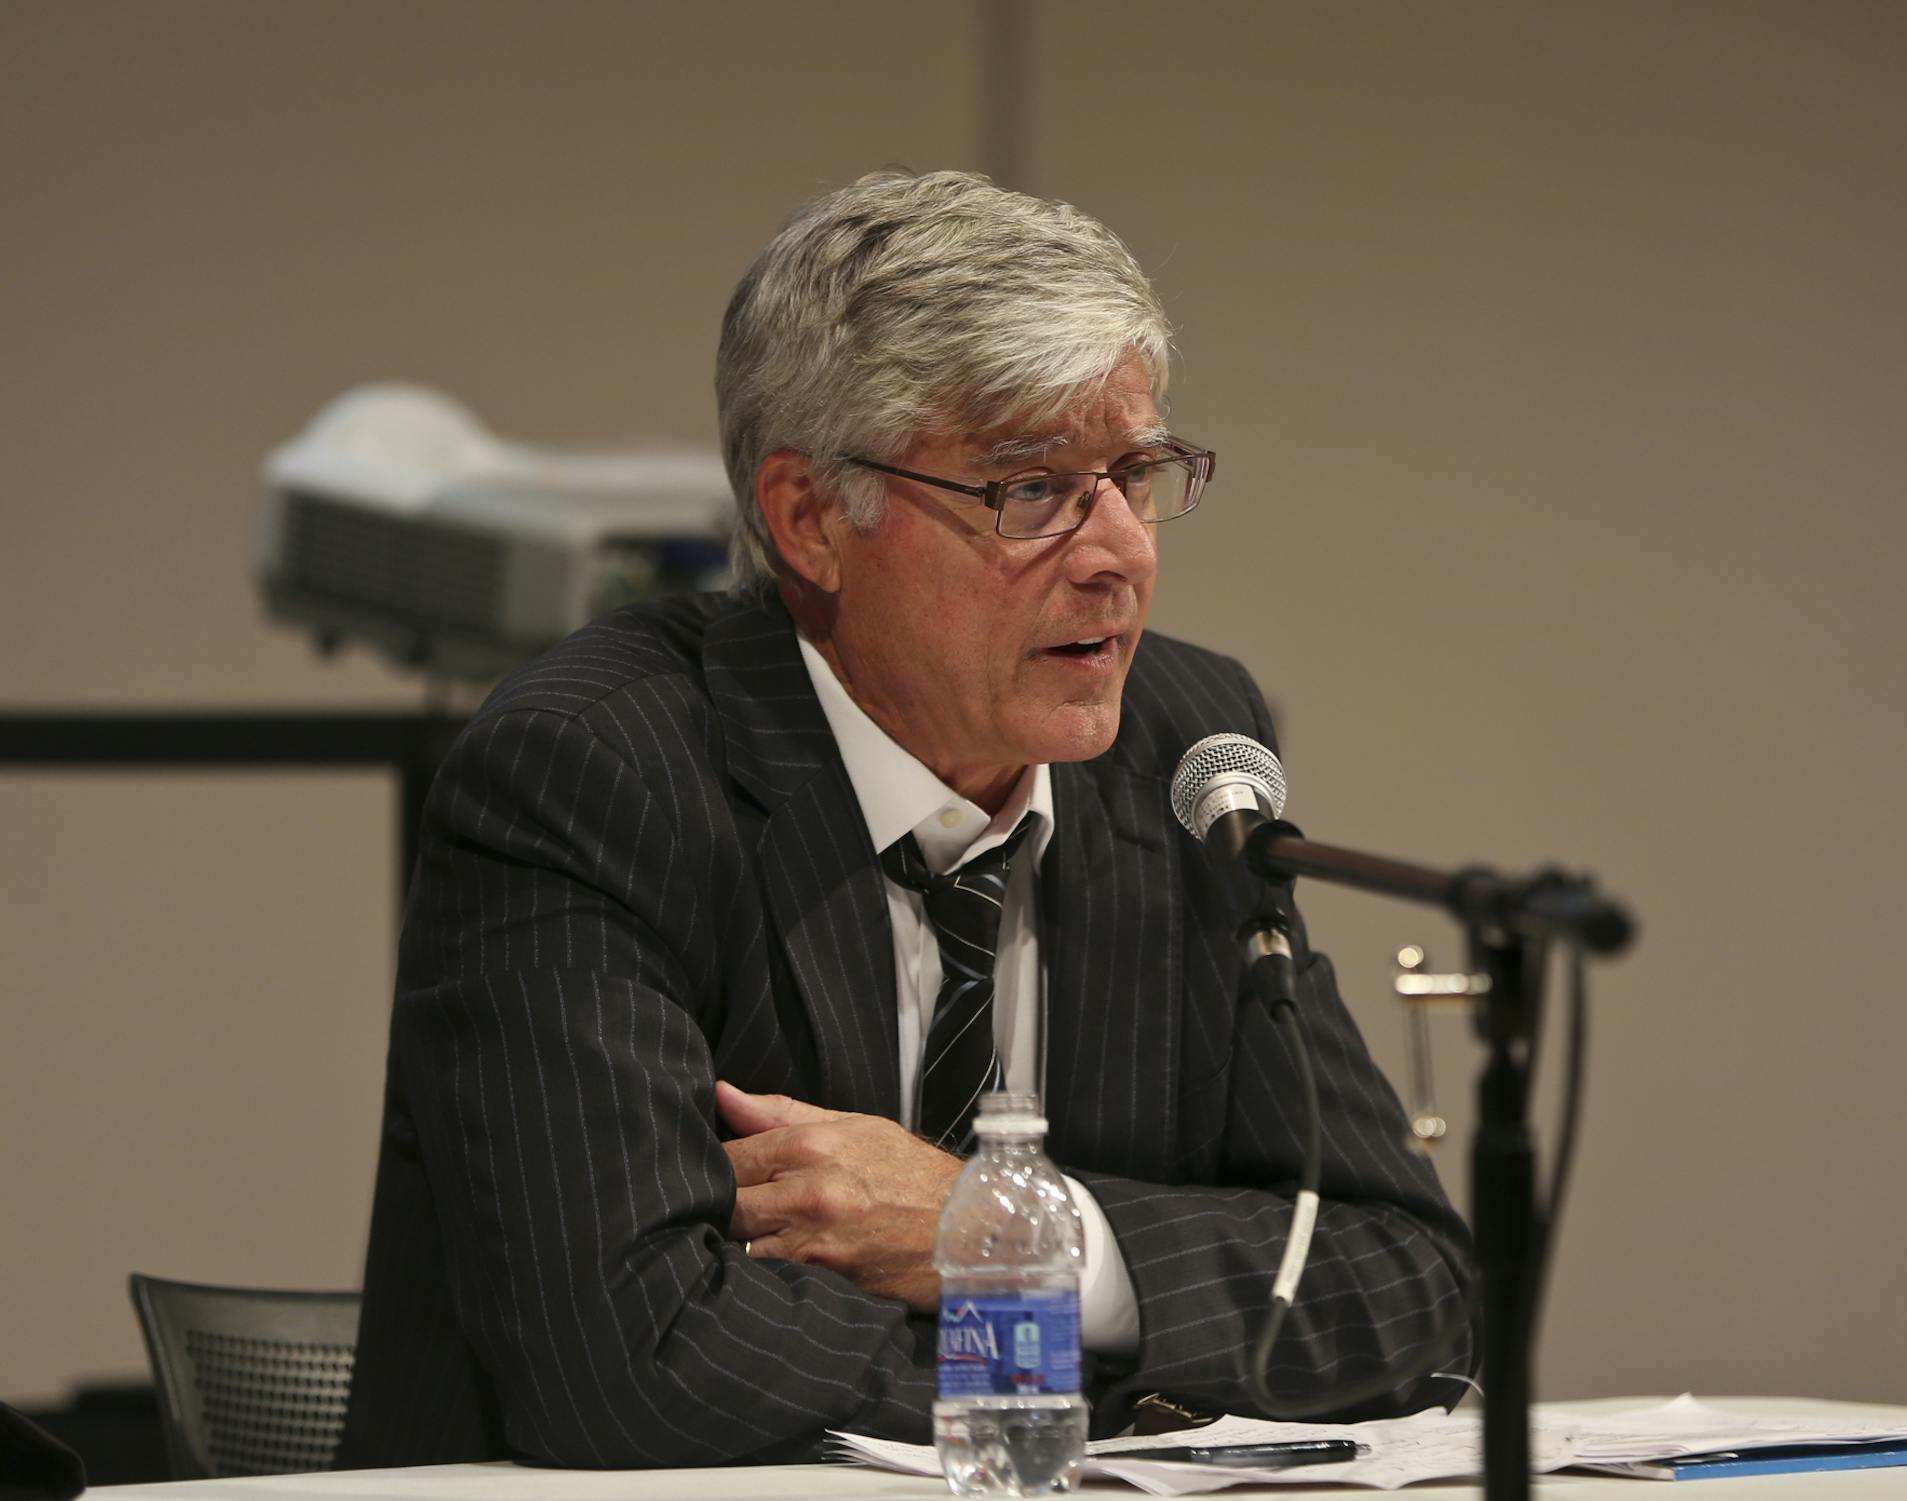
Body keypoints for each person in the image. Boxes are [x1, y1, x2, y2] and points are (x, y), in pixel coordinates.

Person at [338, 169, 1477, 1469]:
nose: (1120, 553)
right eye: (1032, 489)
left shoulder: (1183, 748)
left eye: (1136, 473)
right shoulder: (595, 771)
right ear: (811, 518)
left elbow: (1407, 1285)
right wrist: (1078, 1380)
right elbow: (632, 1363)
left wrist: (999, 1233)